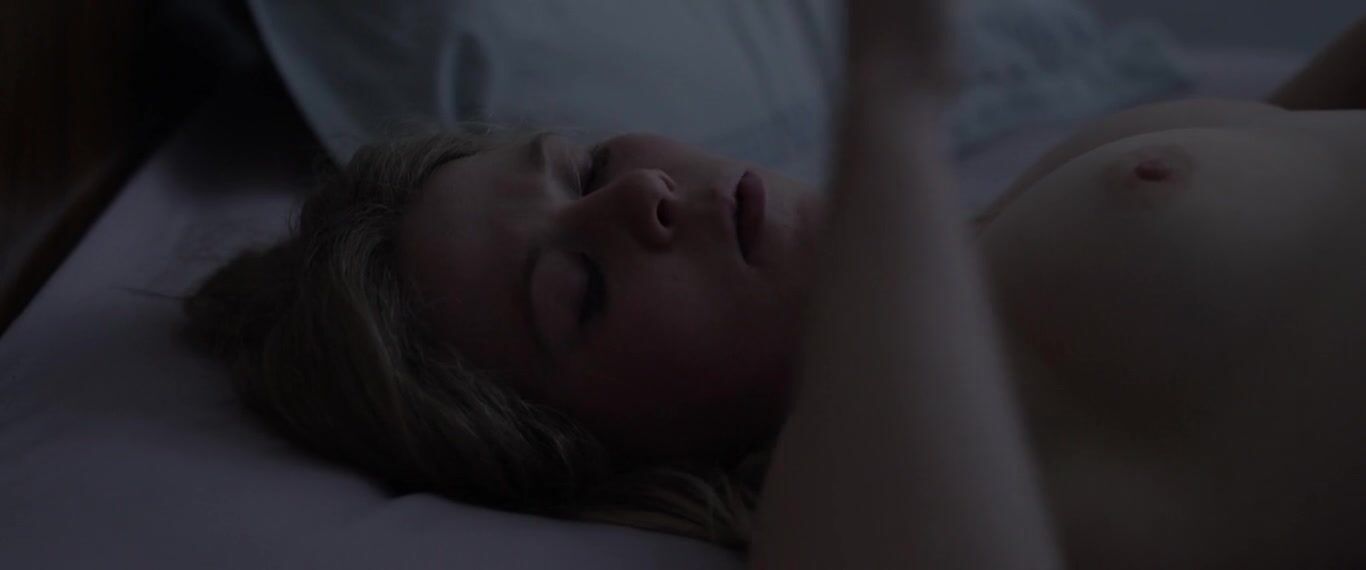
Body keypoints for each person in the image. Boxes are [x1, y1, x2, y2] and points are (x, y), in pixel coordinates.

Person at [185, 0, 1366, 566]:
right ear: (611, 451)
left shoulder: (989, 242)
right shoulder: (857, 484)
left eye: (586, 168)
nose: (638, 200)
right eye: (578, 290)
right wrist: (888, 102)